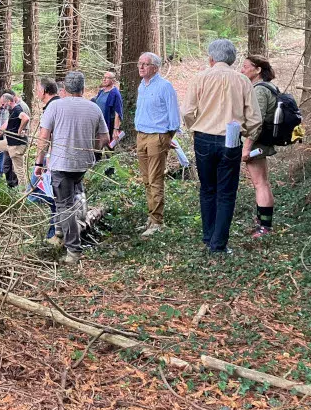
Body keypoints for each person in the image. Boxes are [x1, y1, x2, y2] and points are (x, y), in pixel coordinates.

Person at [182, 39, 261, 254]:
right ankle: (218, 244)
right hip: (231, 139)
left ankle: (208, 237)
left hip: (204, 137)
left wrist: (195, 127)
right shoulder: (243, 81)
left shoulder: (200, 78)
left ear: (211, 58)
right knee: (226, 192)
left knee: (207, 189)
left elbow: (187, 112)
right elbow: (255, 118)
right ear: (232, 59)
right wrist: (245, 132)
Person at [33, 71, 109, 264]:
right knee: (73, 194)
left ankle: (73, 251)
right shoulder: (93, 108)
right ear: (83, 89)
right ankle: (62, 229)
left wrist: (38, 163)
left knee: (64, 205)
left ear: (64, 89)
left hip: (61, 164)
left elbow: (43, 138)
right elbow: (105, 139)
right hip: (82, 164)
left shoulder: (56, 107)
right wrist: (94, 151)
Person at [134, 52, 181, 237]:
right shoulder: (142, 86)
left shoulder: (165, 86)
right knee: (146, 180)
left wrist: (167, 137)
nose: (141, 67)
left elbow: (174, 117)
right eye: (140, 63)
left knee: (155, 179)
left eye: (145, 64)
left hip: (157, 136)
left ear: (155, 67)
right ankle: (150, 216)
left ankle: (157, 221)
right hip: (141, 135)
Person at [241, 54, 277, 239]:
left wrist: (246, 147)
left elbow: (257, 122)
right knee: (262, 182)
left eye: (246, 66)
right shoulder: (268, 87)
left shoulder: (260, 90)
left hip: (257, 143)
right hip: (261, 142)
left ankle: (264, 227)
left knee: (260, 183)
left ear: (258, 70)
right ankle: (262, 223)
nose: (242, 69)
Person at [2, 90, 32, 187]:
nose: (2, 106)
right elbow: (7, 125)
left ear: (10, 101)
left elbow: (26, 118)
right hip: (10, 142)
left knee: (18, 169)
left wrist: (20, 131)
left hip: (17, 143)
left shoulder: (18, 108)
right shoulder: (11, 110)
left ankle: (23, 192)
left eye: (3, 104)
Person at [93, 71, 123, 140]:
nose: (104, 79)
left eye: (107, 78)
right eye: (103, 77)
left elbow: (118, 113)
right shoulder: (101, 92)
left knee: (108, 146)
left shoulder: (115, 94)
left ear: (112, 80)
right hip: (98, 124)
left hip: (108, 125)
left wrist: (115, 130)